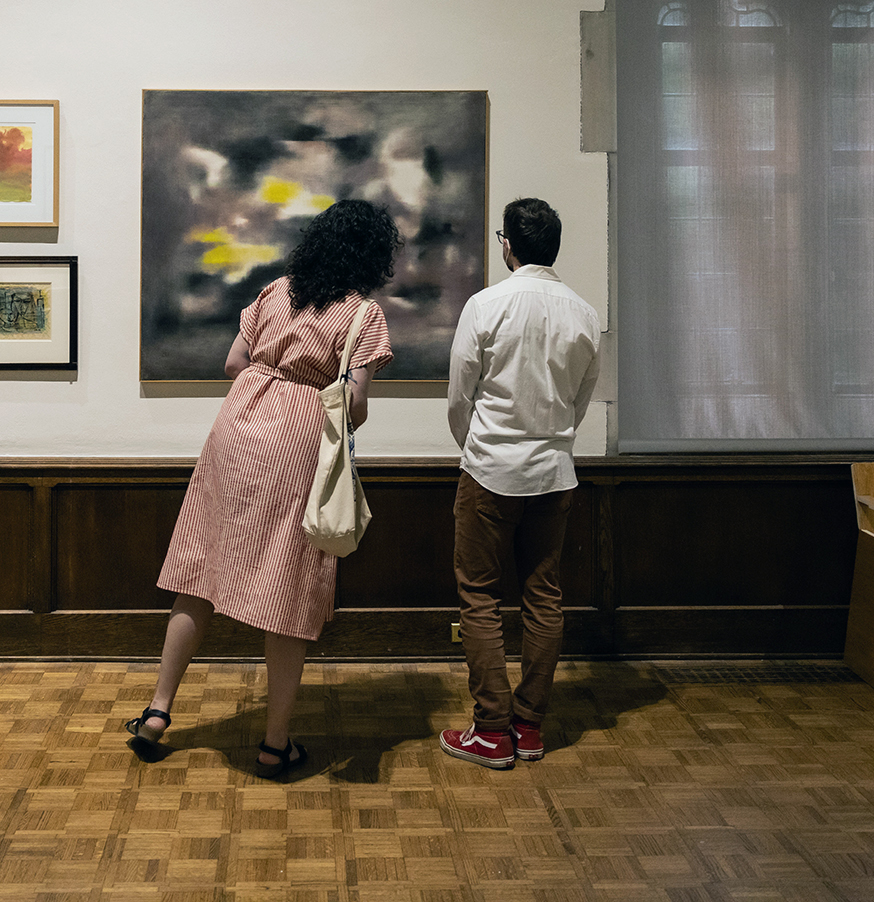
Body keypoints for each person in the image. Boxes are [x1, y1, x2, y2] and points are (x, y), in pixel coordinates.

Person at [126, 198, 400, 779]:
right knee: (288, 586)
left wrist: (268, 378)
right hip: (297, 439)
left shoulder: (277, 290)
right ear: (373, 256)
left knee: (200, 569)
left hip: (238, 423)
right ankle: (275, 745)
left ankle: (156, 712)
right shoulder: (362, 316)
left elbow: (233, 363)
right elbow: (352, 404)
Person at [439, 197, 600, 770]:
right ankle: (529, 727)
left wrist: (474, 445)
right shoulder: (583, 313)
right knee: (543, 596)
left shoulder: (485, 305)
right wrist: (553, 441)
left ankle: (491, 730)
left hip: (489, 469)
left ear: (508, 243)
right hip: (554, 472)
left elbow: (461, 395)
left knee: (479, 596)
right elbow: (580, 401)